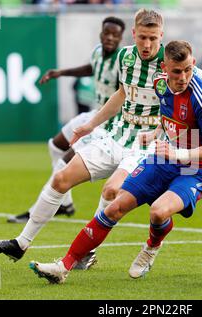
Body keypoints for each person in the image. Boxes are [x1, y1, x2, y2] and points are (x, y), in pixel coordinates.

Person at [0, 9, 202, 272]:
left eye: (153, 39)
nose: (147, 45)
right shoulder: (125, 57)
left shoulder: (176, 64)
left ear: (162, 37)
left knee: (113, 192)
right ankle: (21, 243)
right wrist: (90, 124)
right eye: (142, 37)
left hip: (147, 146)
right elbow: (122, 94)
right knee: (61, 178)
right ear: (133, 34)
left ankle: (88, 253)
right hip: (116, 133)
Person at [29, 40, 202, 284]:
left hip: (195, 168)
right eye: (177, 71)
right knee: (114, 207)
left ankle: (151, 247)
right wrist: (155, 134)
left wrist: (180, 154)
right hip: (164, 157)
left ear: (193, 64)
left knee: (158, 211)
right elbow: (168, 112)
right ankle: (63, 266)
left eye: (187, 69)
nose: (183, 77)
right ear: (164, 68)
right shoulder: (159, 83)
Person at [7, 16, 126, 224]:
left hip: (107, 121)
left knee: (64, 164)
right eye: (107, 33)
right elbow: (91, 68)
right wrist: (60, 73)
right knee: (55, 145)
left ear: (120, 38)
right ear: (101, 33)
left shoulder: (122, 61)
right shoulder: (98, 52)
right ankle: (65, 203)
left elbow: (125, 93)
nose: (110, 38)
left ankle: (36, 212)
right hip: (94, 112)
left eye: (115, 35)